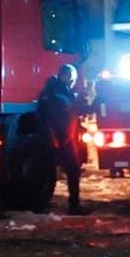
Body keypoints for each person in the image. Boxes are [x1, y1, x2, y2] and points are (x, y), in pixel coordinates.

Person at [35, 63, 88, 215]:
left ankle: (42, 205)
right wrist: (54, 140)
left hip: (60, 138)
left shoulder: (57, 91)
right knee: (65, 170)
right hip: (59, 139)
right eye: (72, 79)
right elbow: (54, 118)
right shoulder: (56, 94)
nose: (73, 82)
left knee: (55, 171)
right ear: (65, 76)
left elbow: (71, 111)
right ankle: (72, 205)